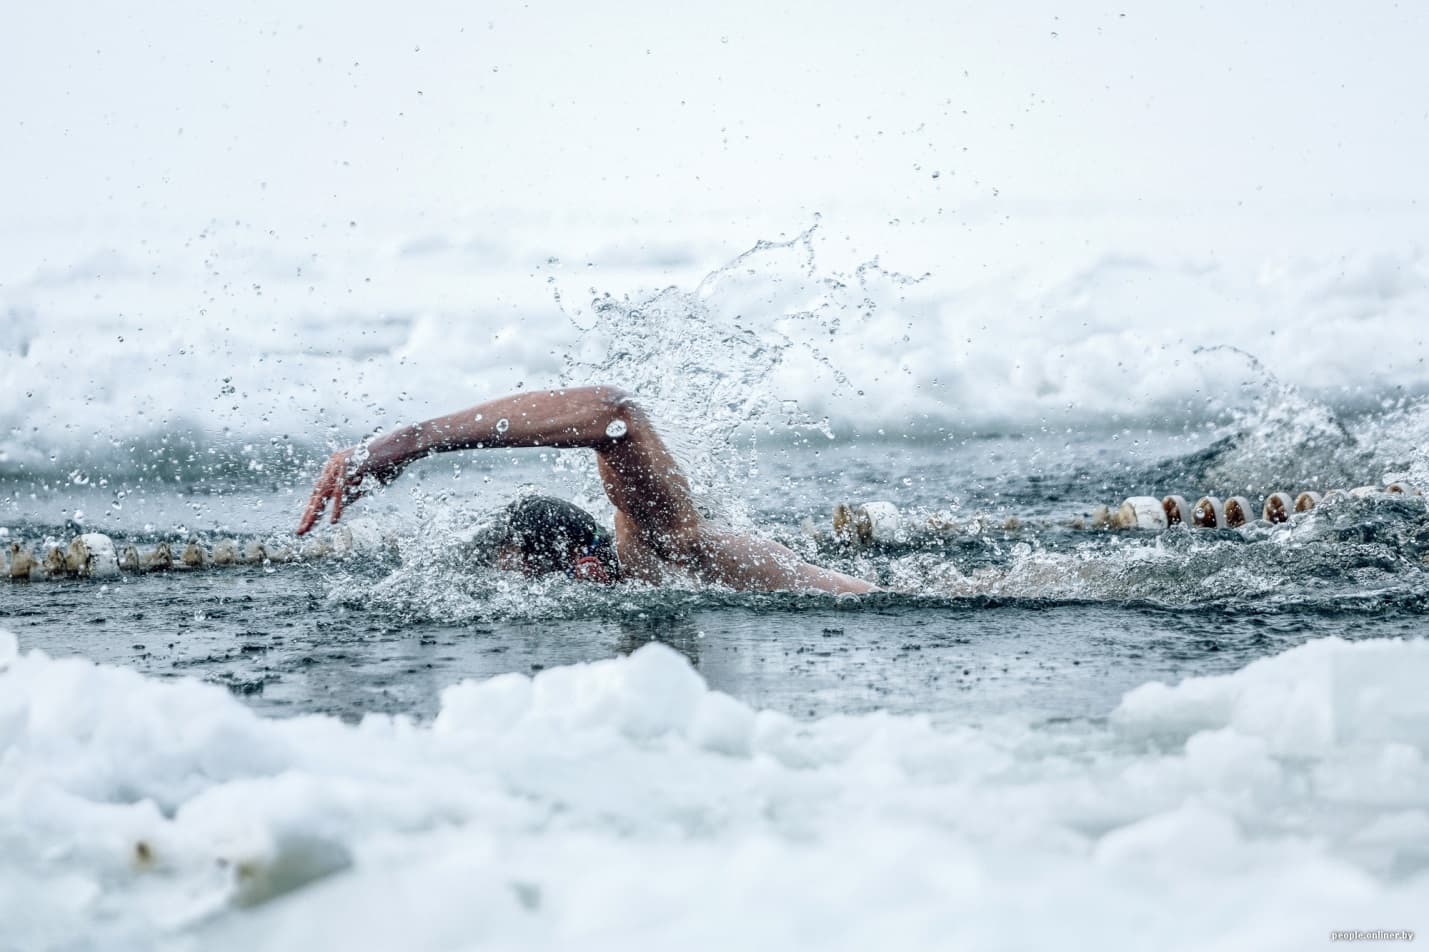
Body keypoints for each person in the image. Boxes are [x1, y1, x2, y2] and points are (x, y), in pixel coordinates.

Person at [297, 385, 877, 594]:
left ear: (586, 569)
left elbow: (613, 415)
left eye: (517, 579)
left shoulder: (656, 554)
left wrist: (411, 441)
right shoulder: (652, 573)